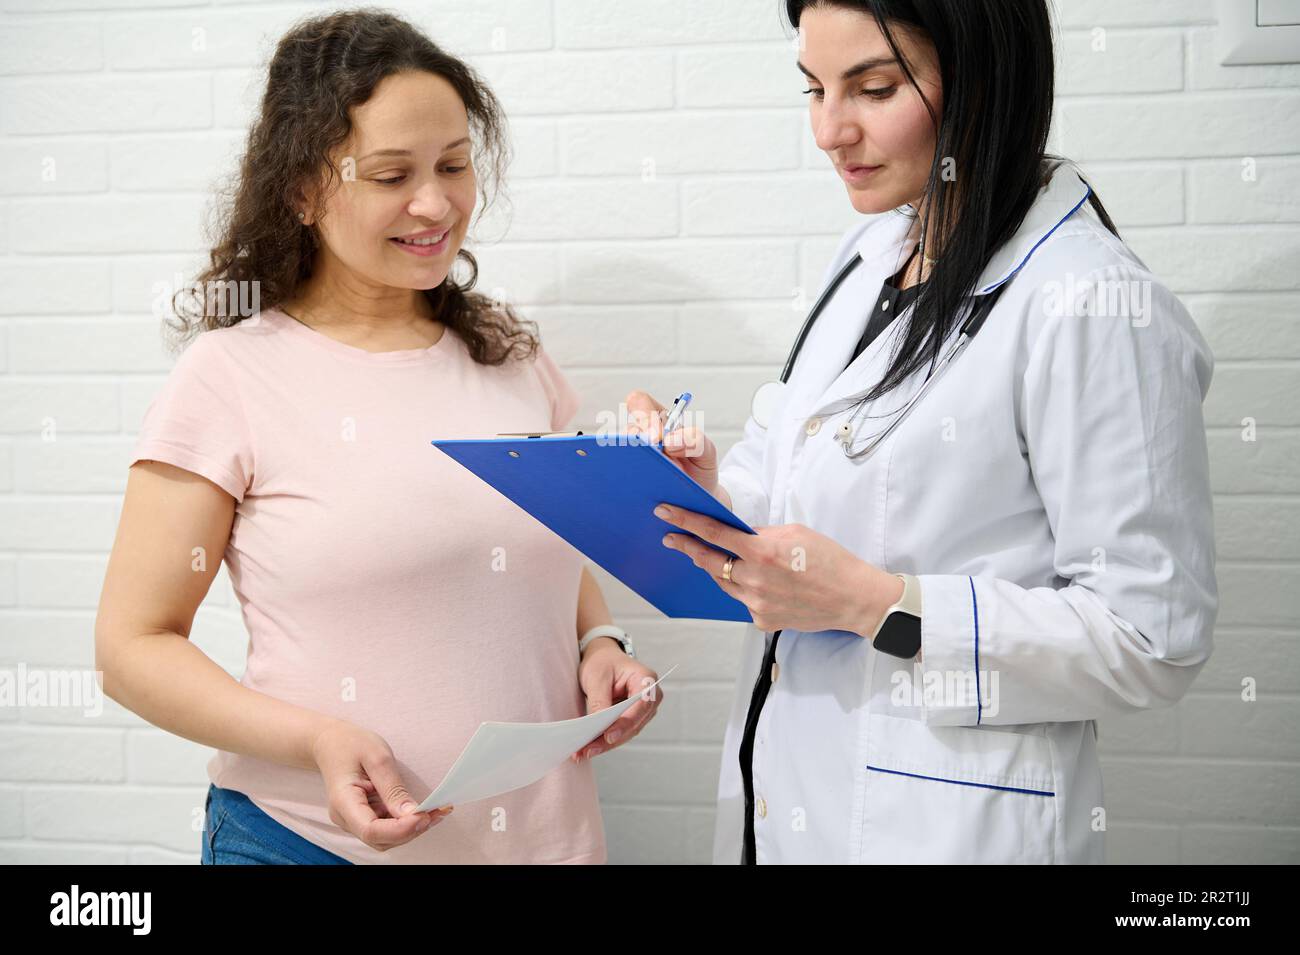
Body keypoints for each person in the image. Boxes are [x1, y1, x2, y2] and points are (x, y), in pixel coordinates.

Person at [628, 0, 1216, 864]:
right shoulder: (872, 252)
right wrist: (703, 488)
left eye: (872, 87)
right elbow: (807, 490)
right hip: (787, 791)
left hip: (948, 831)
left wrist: (875, 604)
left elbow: (1151, 637)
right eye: (815, 88)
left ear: (985, 79)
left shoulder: (1089, 302)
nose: (830, 130)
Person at [95, 9, 659, 865]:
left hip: (543, 845)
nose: (434, 204)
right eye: (391, 174)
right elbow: (132, 648)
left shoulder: (512, 356)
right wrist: (315, 738)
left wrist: (600, 642)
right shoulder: (231, 378)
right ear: (302, 189)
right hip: (305, 845)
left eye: (454, 165)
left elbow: (539, 543)